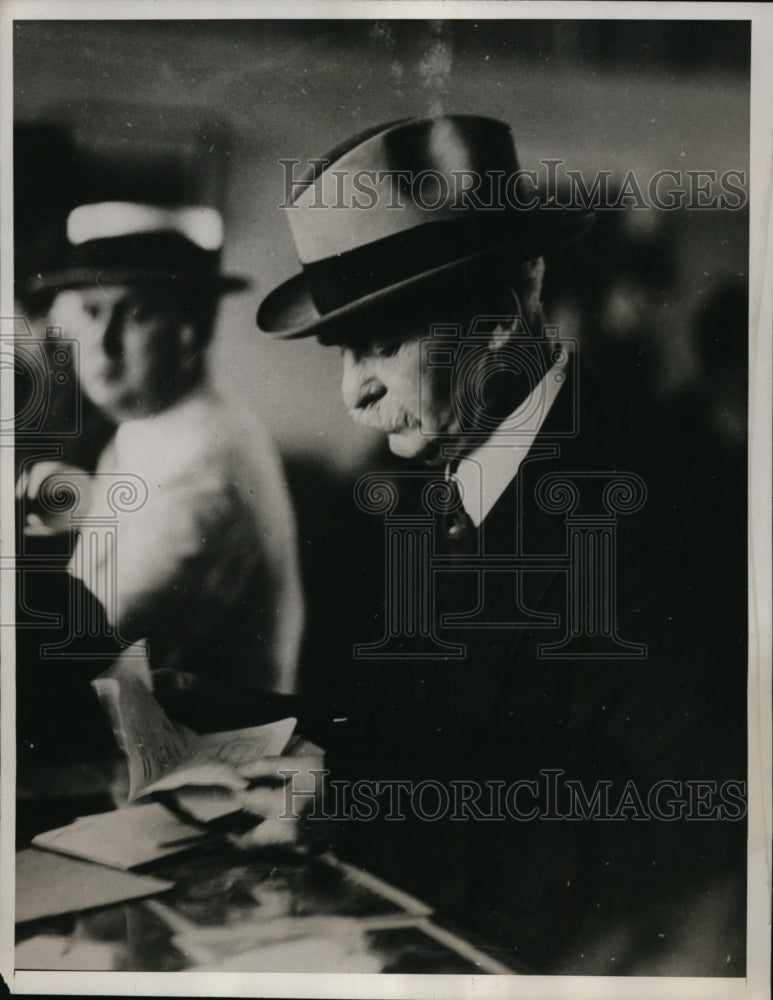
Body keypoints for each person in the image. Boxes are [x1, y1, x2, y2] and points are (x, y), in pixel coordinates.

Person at [242, 116, 747, 975]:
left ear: (505, 317)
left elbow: (671, 838)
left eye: (383, 344)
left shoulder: (664, 507)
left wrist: (366, 804)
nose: (354, 392)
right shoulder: (406, 489)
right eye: (343, 352)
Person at [18, 201, 304, 701]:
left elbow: (93, 650)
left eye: (137, 313)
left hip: (198, 754)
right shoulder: (154, 425)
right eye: (91, 311)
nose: (102, 342)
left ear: (192, 330)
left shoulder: (207, 465)